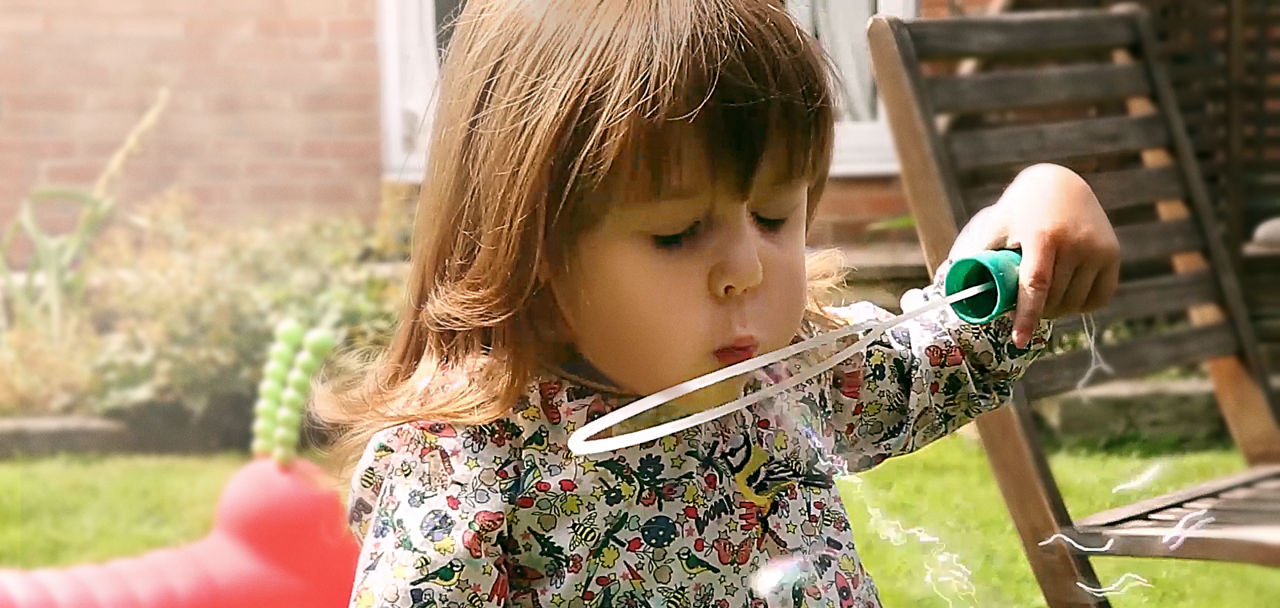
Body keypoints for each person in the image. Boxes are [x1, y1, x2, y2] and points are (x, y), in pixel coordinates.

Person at [315, 1, 1120, 606]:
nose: (746, 269)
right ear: (528, 255)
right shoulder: (470, 471)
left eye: (774, 215)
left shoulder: (790, 379)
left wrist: (1045, 200)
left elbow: (956, 344)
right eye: (675, 232)